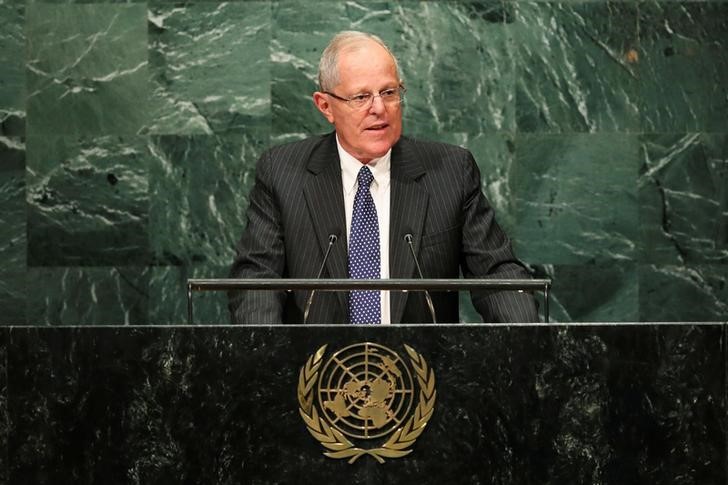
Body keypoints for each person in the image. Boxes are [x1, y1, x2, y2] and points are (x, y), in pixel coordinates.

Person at [228, 31, 537, 324]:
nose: (379, 108)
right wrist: (264, 357)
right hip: (316, 374)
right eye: (361, 97)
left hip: (422, 373)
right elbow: (256, 281)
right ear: (326, 106)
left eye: (389, 92)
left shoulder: (451, 171)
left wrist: (527, 343)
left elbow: (497, 274)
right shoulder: (282, 173)